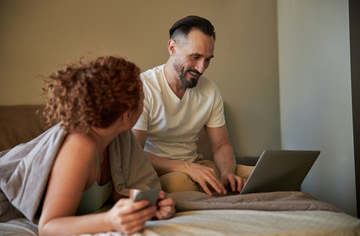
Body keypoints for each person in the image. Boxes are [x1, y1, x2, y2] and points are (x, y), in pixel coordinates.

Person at [0, 56, 175, 235]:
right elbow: (48, 227)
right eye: (142, 99)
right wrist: (109, 220)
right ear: (126, 115)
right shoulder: (80, 144)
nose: (144, 105)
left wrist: (150, 207)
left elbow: (122, 189)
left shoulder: (118, 138)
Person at [132, 15, 247, 196]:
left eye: (208, 59)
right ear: (172, 48)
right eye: (195, 57)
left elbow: (221, 145)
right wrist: (186, 168)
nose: (201, 68)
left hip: (196, 165)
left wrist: (227, 173)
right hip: (158, 171)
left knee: (251, 177)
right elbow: (134, 154)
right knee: (181, 183)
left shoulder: (210, 90)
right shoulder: (143, 88)